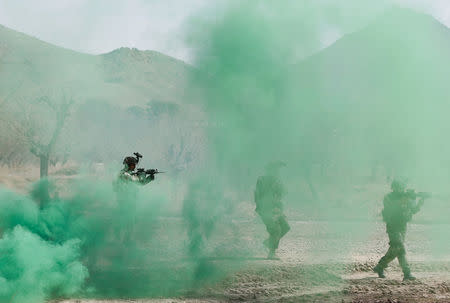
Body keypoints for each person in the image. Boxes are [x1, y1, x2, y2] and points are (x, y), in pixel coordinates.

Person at [373, 178, 429, 281]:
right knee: (400, 248)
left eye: (402, 187)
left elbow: (413, 210)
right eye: (399, 187)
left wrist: (421, 201)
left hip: (403, 226)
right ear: (393, 188)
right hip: (392, 225)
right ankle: (407, 273)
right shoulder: (388, 197)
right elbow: (391, 209)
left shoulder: (407, 197)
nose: (401, 189)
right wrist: (404, 200)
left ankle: (380, 267)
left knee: (397, 249)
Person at [113, 153, 154, 243]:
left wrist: (149, 178)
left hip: (131, 201)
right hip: (124, 201)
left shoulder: (130, 174)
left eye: (134, 165)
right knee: (124, 221)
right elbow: (136, 180)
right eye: (132, 165)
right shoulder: (123, 174)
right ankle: (119, 239)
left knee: (131, 222)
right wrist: (142, 174)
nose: (134, 167)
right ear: (127, 165)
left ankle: (127, 240)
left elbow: (141, 183)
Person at [254, 161, 290, 259]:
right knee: (276, 229)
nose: (278, 172)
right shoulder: (261, 180)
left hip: (276, 209)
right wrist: (261, 208)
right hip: (266, 209)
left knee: (285, 227)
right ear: (270, 170)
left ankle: (269, 243)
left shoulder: (278, 180)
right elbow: (257, 194)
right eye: (276, 169)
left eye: (278, 170)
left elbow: (283, 194)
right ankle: (271, 253)